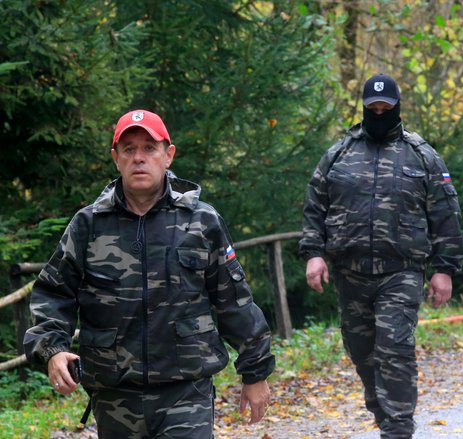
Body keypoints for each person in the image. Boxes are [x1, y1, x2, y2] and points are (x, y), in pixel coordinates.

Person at [23, 109, 276, 438]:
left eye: (149, 148)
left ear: (168, 155)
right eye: (129, 149)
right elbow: (54, 293)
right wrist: (52, 350)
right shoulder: (88, 225)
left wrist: (255, 372)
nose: (138, 158)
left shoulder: (201, 221)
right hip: (114, 396)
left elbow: (234, 301)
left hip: (186, 392)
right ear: (116, 158)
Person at [299, 74, 463, 438]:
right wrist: (314, 254)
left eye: (385, 109)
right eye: (372, 109)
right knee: (363, 354)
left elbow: (445, 214)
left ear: (397, 108)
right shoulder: (339, 154)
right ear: (363, 108)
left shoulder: (421, 155)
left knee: (394, 349)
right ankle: (385, 416)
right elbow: (315, 205)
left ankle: (398, 429)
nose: (378, 114)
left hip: (401, 272)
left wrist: (444, 269)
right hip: (350, 273)